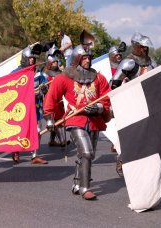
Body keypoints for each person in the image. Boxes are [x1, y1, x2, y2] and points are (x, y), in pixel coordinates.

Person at [44, 30, 111, 200]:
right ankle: (84, 188)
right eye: (84, 58)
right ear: (77, 59)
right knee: (87, 152)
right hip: (75, 119)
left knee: (87, 154)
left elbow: (106, 99)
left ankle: (76, 182)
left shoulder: (99, 78)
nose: (88, 60)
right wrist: (50, 119)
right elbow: (52, 98)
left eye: (89, 57)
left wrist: (99, 108)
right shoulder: (64, 77)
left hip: (94, 121)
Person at [110, 32, 157, 177]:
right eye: (142, 47)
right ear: (136, 47)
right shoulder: (128, 63)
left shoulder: (152, 63)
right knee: (131, 133)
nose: (145, 50)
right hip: (131, 102)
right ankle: (122, 159)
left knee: (148, 134)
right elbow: (113, 84)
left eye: (146, 47)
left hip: (148, 101)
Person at [11, 45, 48, 165]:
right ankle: (16, 150)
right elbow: (10, 88)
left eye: (33, 58)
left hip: (35, 106)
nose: (32, 60)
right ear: (24, 58)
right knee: (19, 130)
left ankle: (34, 155)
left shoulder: (38, 74)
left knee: (37, 130)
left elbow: (45, 87)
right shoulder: (16, 72)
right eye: (30, 58)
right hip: (21, 106)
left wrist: (43, 89)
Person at [42, 45, 69, 147]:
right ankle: (62, 141)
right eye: (53, 62)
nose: (55, 63)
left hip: (59, 101)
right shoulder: (45, 75)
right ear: (49, 64)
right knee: (56, 121)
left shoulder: (61, 73)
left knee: (59, 120)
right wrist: (44, 89)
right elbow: (42, 89)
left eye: (56, 62)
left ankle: (52, 140)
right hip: (50, 100)